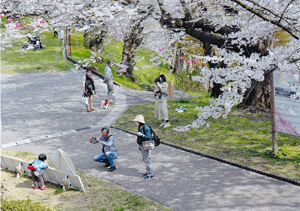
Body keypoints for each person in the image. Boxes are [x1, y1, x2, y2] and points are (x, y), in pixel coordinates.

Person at [133, 115, 153, 180]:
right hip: (142, 145)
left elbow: (149, 137)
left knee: (147, 159)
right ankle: (148, 172)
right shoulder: (140, 126)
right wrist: (140, 145)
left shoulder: (146, 128)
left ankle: (150, 174)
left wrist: (142, 135)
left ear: (139, 121)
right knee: (145, 159)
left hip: (146, 145)